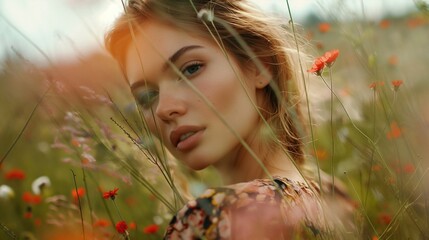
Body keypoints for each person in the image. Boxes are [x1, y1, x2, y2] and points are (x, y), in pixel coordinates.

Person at [105, 0, 356, 239]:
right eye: (147, 96)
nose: (164, 109)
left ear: (260, 63)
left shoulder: (210, 219)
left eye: (191, 68)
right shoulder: (332, 197)